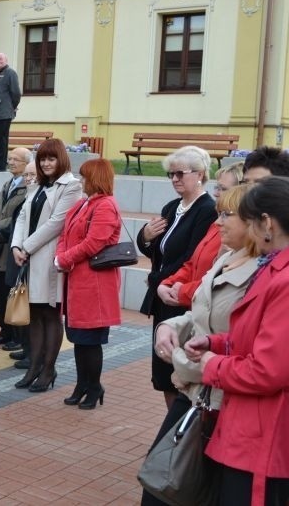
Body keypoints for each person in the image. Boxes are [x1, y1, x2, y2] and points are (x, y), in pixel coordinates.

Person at [141, 184, 259, 506]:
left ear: (256, 223)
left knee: (180, 488)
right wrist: (170, 324)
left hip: (219, 402)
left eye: (226, 214)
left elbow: (240, 346)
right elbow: (202, 311)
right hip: (196, 393)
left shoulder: (260, 275)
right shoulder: (228, 257)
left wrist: (182, 362)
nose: (217, 221)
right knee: (160, 483)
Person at [183, 177, 289, 506]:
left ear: (267, 223)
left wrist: (214, 365)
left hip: (263, 438)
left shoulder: (283, 279)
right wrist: (216, 343)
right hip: (248, 430)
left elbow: (267, 370)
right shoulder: (273, 268)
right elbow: (258, 338)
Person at [136, 146, 217, 409]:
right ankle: (171, 431)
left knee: (178, 370)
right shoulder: (172, 207)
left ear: (200, 174)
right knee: (161, 370)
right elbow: (154, 248)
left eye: (180, 174)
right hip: (164, 294)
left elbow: (190, 257)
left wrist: (158, 280)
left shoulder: (206, 210)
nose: (174, 179)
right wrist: (145, 237)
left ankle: (179, 433)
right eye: (170, 174)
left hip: (181, 298)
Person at [10, 139, 82, 391]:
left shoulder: (72, 186)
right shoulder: (38, 185)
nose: (46, 163)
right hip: (28, 257)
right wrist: (16, 247)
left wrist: (26, 247)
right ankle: (34, 366)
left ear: (61, 159)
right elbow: (22, 216)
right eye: (42, 159)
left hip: (49, 259)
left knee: (50, 315)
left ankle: (48, 368)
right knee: (34, 316)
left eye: (51, 158)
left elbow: (56, 223)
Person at [54, 159, 122, 409]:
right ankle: (83, 383)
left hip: (94, 284)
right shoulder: (84, 204)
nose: (81, 181)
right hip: (77, 280)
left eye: (84, 177)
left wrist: (64, 258)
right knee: (79, 339)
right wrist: (61, 255)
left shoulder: (105, 206)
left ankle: (94, 386)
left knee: (90, 340)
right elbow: (65, 234)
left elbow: (95, 243)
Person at [156, 162, 243, 310]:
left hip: (206, 308)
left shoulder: (237, 233)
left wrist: (182, 291)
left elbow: (219, 280)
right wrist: (167, 283)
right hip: (194, 304)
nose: (216, 193)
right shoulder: (217, 223)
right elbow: (193, 263)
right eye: (217, 187)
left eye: (223, 189)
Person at [0, 148, 31, 350]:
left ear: (26, 163)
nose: (11, 162)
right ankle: (5, 331)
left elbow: (20, 216)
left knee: (13, 291)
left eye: (16, 159)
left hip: (13, 246)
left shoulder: (28, 186)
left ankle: (17, 336)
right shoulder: (8, 183)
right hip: (1, 245)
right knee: (1, 291)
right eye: (9, 158)